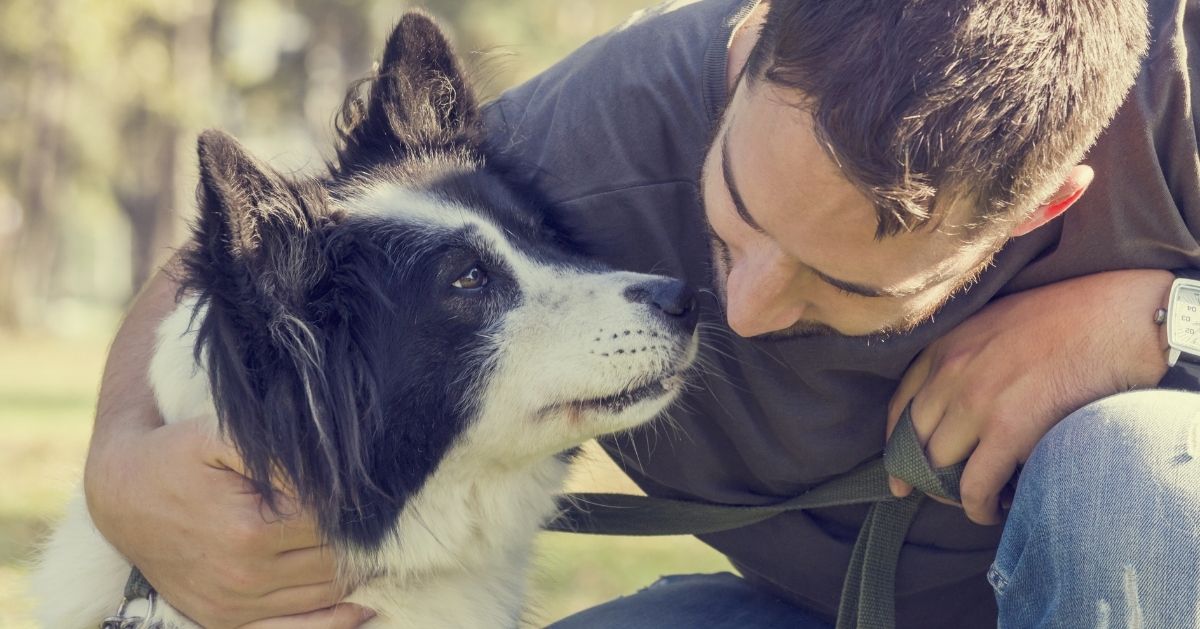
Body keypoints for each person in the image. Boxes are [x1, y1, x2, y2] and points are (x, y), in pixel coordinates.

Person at [84, 0, 1200, 627]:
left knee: (1131, 465)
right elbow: (269, 247)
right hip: (801, 615)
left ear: (1044, 203)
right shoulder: (600, 131)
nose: (746, 310)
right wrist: (121, 469)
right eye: (729, 223)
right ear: (750, 37)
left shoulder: (1177, 97)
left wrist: (1155, 319)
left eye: (840, 285)